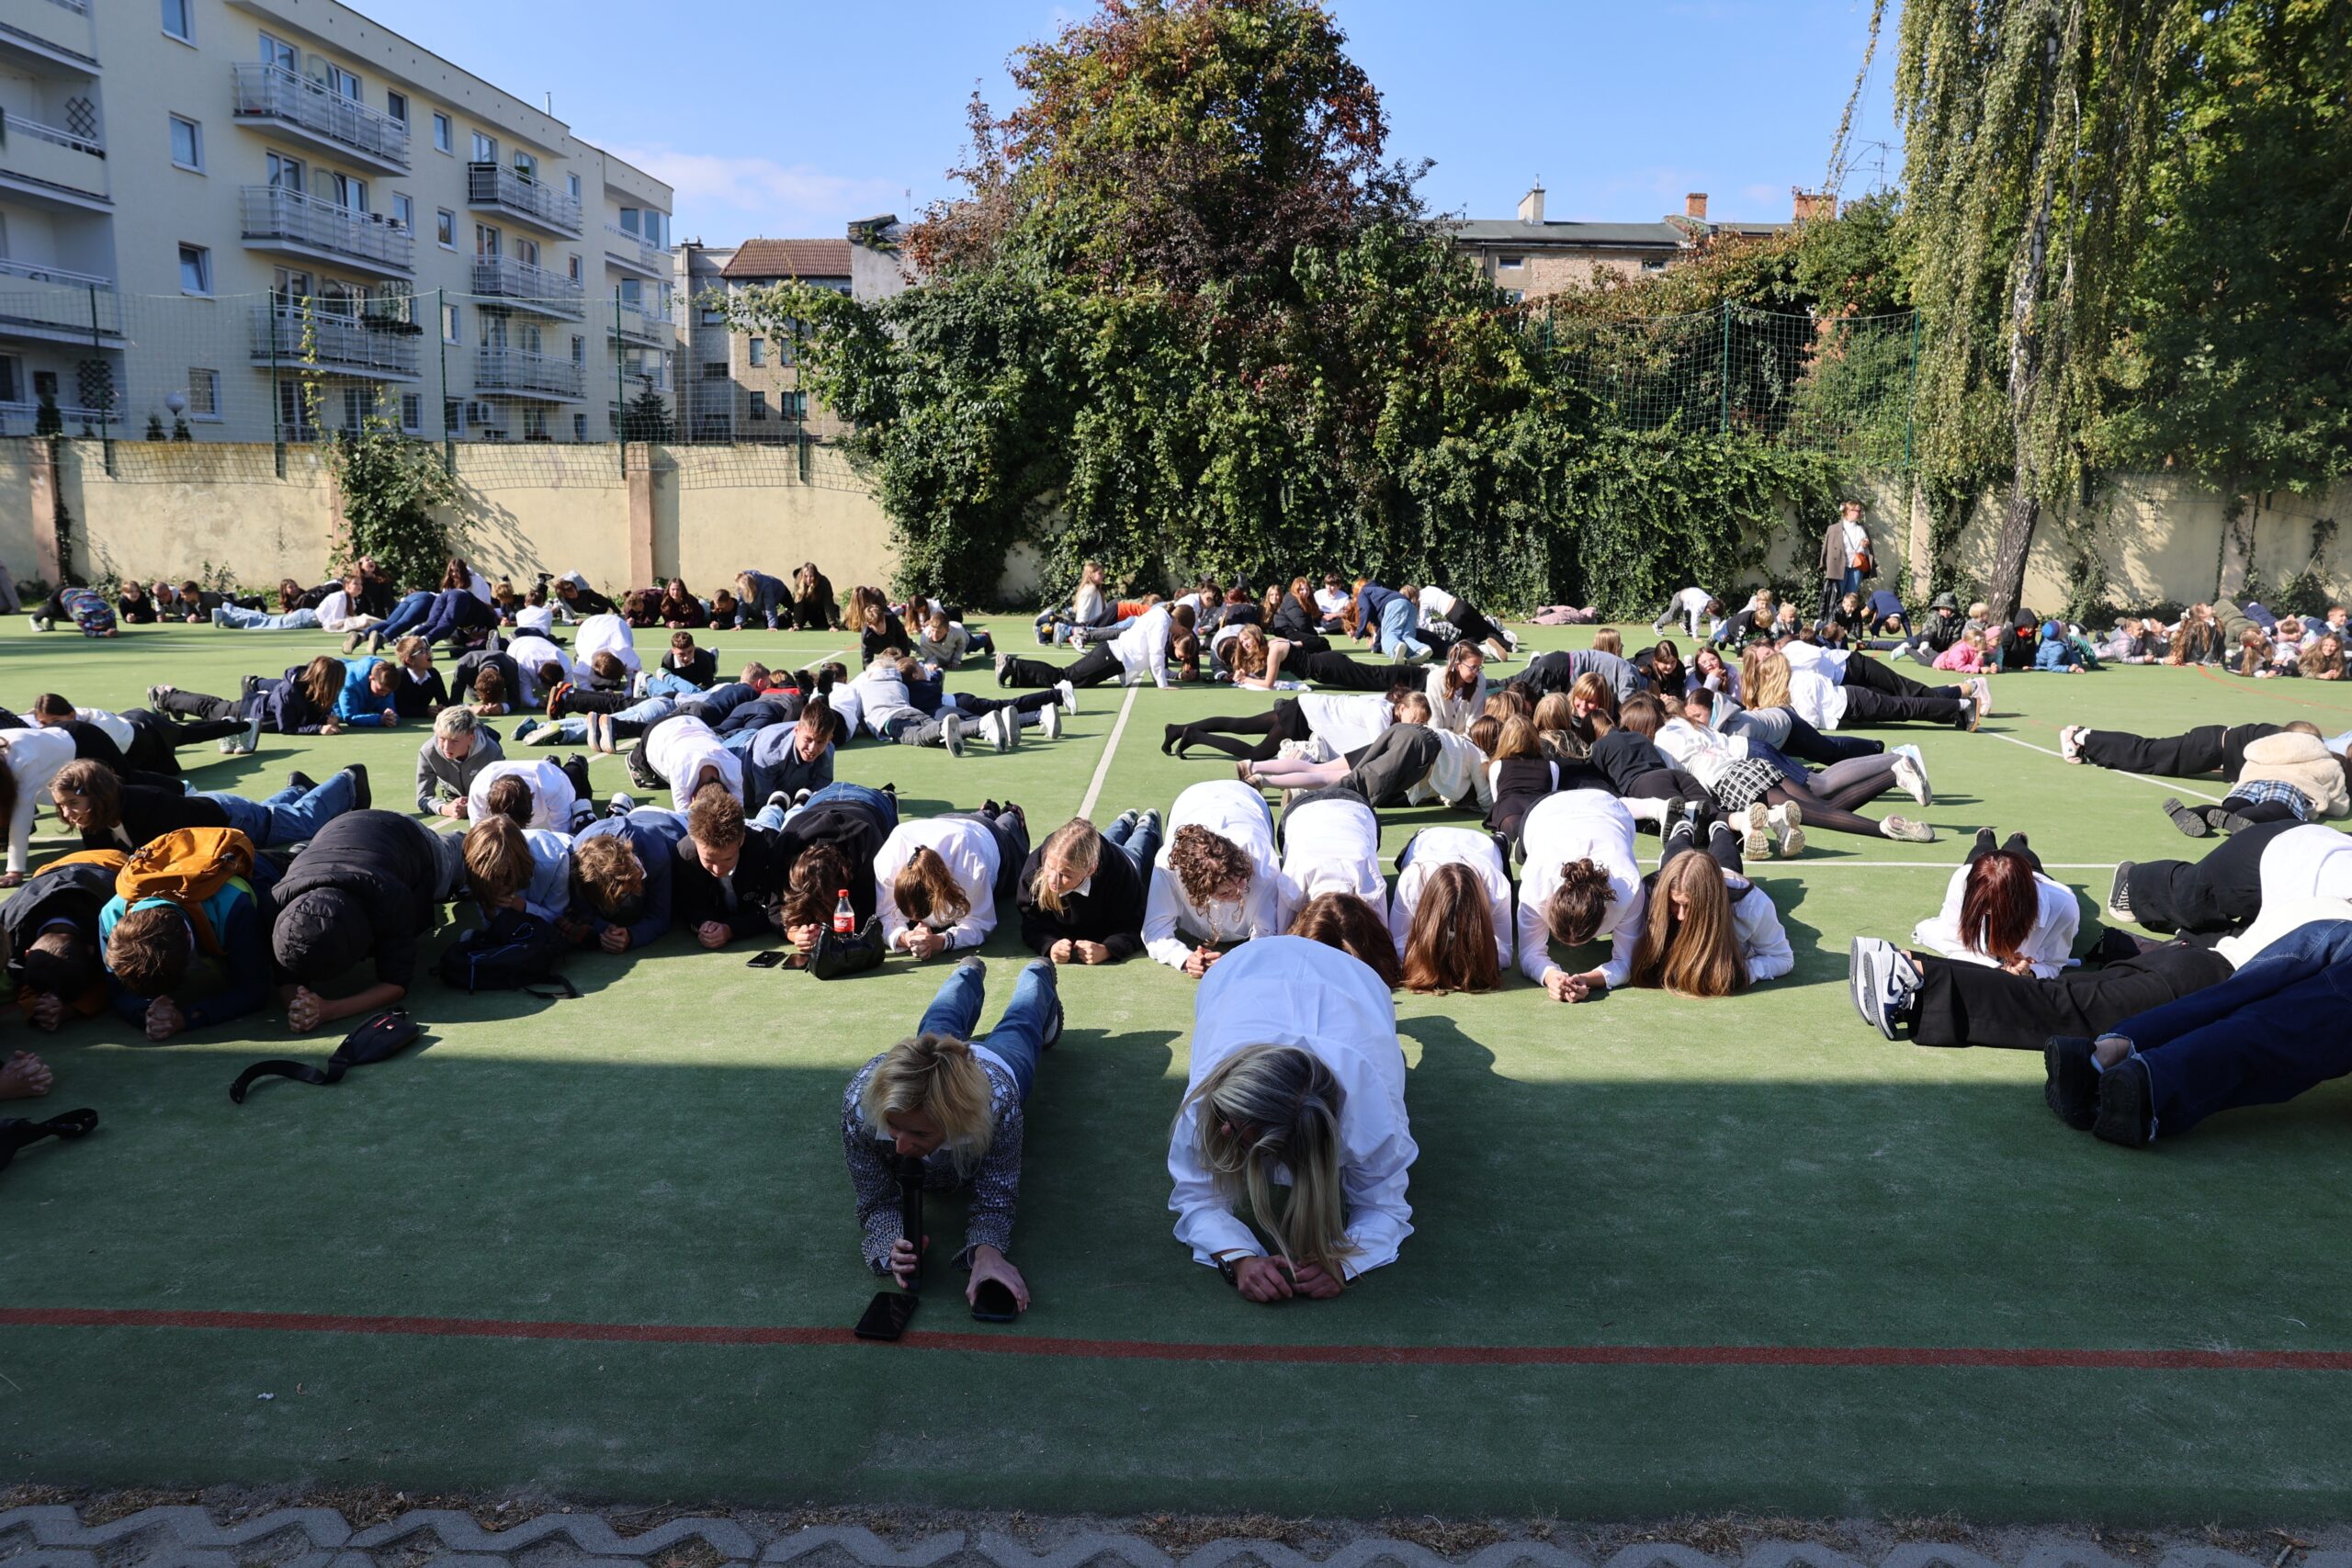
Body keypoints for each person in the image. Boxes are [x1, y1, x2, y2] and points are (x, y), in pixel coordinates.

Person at [1169, 935, 1415, 1301]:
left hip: (1357, 983)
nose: (1222, 1128)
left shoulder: (1374, 1115)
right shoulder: (1213, 1093)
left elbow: (1384, 1206)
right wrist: (1238, 1258)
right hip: (1239, 969)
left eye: (1239, 1126)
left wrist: (1347, 1262)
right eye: (1228, 1115)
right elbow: (1196, 1197)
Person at [842, 954, 1063, 1311]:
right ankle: (968, 971)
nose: (901, 1147)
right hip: (930, 1069)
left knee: (1021, 1026)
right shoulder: (859, 1105)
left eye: (918, 1134)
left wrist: (988, 1252)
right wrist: (890, 1239)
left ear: (956, 1124)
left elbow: (996, 1195)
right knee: (939, 1022)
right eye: (894, 1127)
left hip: (998, 1068)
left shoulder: (997, 1105)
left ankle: (1037, 974)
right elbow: (875, 1196)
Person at [2039, 899, 2352, 1148]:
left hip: (2333, 928)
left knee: (2224, 998)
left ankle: (2100, 1055)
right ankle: (2152, 1082)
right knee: (2277, 1028)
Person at [270, 810, 467, 1032]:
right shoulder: (279, 901)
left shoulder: (388, 896)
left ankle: (464, 838)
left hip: (408, 834)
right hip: (338, 829)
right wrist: (299, 1006)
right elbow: (287, 973)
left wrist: (329, 1010)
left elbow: (396, 984)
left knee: (465, 859)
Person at [98, 847, 273, 1041]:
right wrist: (146, 1012)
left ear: (189, 938)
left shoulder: (232, 906)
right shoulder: (111, 915)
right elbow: (116, 990)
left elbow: (253, 989)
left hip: (261, 868)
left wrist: (186, 1018)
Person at [1626, 816, 1793, 998]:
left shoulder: (1752, 905)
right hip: (1669, 874)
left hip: (1727, 877)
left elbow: (1783, 958)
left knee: (1726, 860)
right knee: (1674, 856)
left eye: (1688, 906)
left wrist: (1741, 971)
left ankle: (1721, 828)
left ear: (1710, 903)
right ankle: (1682, 830)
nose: (1680, 916)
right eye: (1674, 904)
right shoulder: (1649, 895)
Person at [50, 758, 365, 852]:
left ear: (99, 794)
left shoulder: (149, 806)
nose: (67, 813)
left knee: (299, 823)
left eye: (73, 803)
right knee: (271, 816)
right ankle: (297, 788)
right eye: (62, 806)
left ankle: (349, 780)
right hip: (210, 810)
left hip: (227, 817)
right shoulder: (92, 821)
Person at [1143, 779, 1293, 975]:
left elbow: (1267, 934)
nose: (1240, 892)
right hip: (1191, 799)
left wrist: (1233, 960)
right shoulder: (1167, 868)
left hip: (1248, 802)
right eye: (1225, 893)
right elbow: (1155, 930)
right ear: (1197, 892)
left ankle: (1252, 783)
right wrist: (1185, 959)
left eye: (1241, 879)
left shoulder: (1264, 864)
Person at [2108, 820, 2352, 937]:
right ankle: (2133, 882)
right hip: (2274, 853)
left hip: (2304, 864)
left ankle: (2194, 939)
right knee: (2191, 898)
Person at [1910, 831, 2081, 978]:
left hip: (2033, 875)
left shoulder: (2064, 907)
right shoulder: (1962, 881)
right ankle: (1985, 837)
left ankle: (2017, 839)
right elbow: (1955, 945)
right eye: (1984, 909)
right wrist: (1999, 969)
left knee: (2022, 853)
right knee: (1981, 851)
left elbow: (2053, 963)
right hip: (1989, 869)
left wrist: (2030, 972)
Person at [874, 807, 1030, 960]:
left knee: (1009, 834)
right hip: (944, 822)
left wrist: (941, 942)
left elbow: (980, 922)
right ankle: (985, 811)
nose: (914, 923)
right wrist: (906, 937)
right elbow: (887, 915)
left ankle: (1011, 815)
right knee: (980, 817)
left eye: (920, 918)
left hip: (987, 836)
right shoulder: (886, 864)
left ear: (939, 892)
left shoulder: (971, 869)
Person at [1017, 811, 1162, 964]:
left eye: (1066, 875)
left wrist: (1108, 949)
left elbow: (1134, 922)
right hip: (1097, 850)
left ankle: (1146, 825)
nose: (1053, 880)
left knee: (1136, 852)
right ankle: (1124, 821)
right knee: (1102, 839)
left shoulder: (1120, 873)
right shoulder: (1034, 871)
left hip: (1125, 858)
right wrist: (1049, 944)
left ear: (1091, 870)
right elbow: (1031, 919)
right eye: (1050, 867)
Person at [3, 849, 124, 1032]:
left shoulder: (117, 921)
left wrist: (72, 1008)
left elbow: (118, 980)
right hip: (52, 870)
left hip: (114, 863)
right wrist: (38, 1005)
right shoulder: (8, 922)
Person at [2157, 727, 2349, 838]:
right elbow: (2337, 794)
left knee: (2230, 806)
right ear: (2318, 741)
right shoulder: (2325, 759)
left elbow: (2246, 771)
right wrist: (2338, 807)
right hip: (2290, 785)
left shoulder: (2263, 750)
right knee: (2274, 809)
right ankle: (2245, 819)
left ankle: (2196, 813)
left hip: (2251, 783)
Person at [1390, 829, 1511, 994]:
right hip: (1429, 840)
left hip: (1483, 846)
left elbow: (1504, 953)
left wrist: (1454, 960)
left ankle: (1500, 840)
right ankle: (1419, 833)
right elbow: (1397, 943)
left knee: (1500, 850)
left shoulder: (1497, 889)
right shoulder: (1410, 882)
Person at [673, 790, 793, 951]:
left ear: (741, 840)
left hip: (769, 829)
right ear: (695, 842)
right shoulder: (685, 854)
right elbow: (690, 904)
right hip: (752, 828)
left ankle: (789, 804)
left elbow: (775, 910)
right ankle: (775, 804)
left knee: (786, 821)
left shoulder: (770, 849)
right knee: (767, 816)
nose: (718, 870)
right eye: (709, 860)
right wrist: (704, 923)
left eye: (727, 859)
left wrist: (731, 930)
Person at [562, 807, 686, 953]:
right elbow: (583, 909)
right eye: (627, 890)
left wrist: (632, 936)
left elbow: (660, 916)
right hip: (635, 818)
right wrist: (604, 928)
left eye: (639, 877)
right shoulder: (574, 863)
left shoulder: (656, 854)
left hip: (676, 824)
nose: (639, 888)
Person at [998, 602, 1191, 692]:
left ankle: (1016, 672)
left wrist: (1167, 677)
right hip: (1111, 657)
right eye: (1182, 631)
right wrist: (1163, 684)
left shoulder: (1159, 615)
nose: (1178, 635)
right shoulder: (1162, 621)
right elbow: (1156, 652)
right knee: (1065, 678)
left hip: (1111, 655)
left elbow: (1152, 654)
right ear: (1181, 625)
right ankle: (1013, 666)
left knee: (1066, 679)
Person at [0, 725, 77, 886]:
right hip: (44, 747)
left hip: (80, 742)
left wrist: (15, 870)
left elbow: (22, 816)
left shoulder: (22, 760)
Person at [415, 705, 505, 819]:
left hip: (483, 799)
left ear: (471, 738)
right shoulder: (428, 751)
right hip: (452, 798)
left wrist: (472, 806)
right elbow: (423, 797)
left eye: (455, 741)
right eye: (442, 738)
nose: (446, 748)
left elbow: (502, 796)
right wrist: (446, 809)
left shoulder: (492, 751)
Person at [1819, 497, 1871, 623]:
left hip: (1856, 567)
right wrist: (1824, 565)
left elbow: (1866, 550)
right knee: (1838, 597)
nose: (1860, 513)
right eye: (1858, 511)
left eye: (1860, 511)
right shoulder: (1834, 528)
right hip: (1839, 567)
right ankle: (1834, 624)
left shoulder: (1862, 529)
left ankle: (1848, 625)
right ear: (1849, 511)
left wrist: (1865, 545)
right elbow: (1826, 548)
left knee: (1851, 599)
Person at [1653, 588, 1723, 640]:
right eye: (1712, 614)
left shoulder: (1713, 605)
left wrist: (1713, 635)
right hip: (1679, 599)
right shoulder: (1699, 604)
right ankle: (1657, 625)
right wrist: (1695, 637)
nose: (1713, 615)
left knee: (1690, 613)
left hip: (1690, 602)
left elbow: (1715, 620)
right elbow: (1695, 620)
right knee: (1671, 617)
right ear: (1708, 610)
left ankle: (1685, 626)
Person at [789, 562, 842, 631]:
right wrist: (796, 624)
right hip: (805, 609)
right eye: (806, 576)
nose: (808, 579)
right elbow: (798, 604)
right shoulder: (798, 581)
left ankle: (835, 615)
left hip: (820, 608)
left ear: (815, 576)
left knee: (821, 625)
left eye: (811, 576)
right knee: (794, 623)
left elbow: (828, 603)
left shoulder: (824, 582)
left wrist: (832, 625)